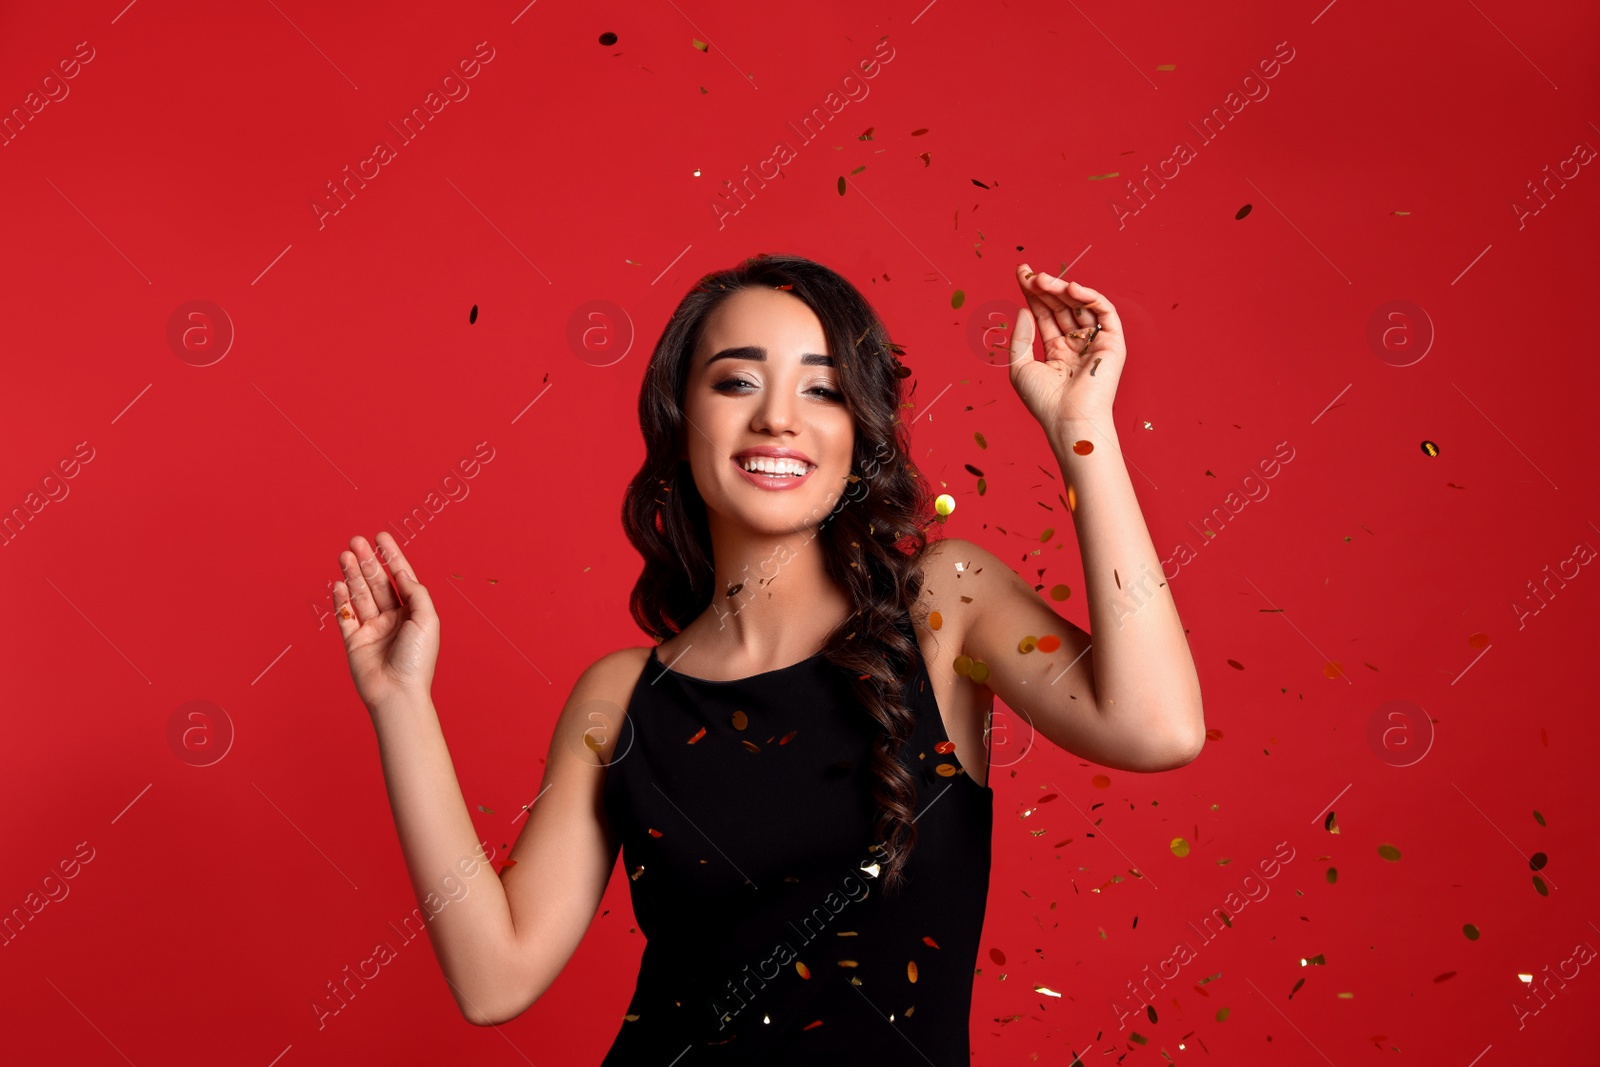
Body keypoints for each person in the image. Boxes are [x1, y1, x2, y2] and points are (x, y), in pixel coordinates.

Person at [330, 253, 1205, 1062]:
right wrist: (400, 702)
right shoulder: (623, 697)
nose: (777, 416)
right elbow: (494, 979)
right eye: (737, 380)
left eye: (821, 390)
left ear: (861, 434)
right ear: (680, 421)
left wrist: (1083, 429)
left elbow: (1156, 726)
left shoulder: (947, 604)